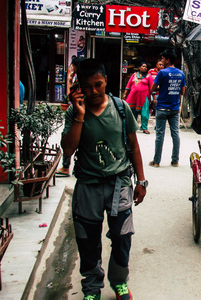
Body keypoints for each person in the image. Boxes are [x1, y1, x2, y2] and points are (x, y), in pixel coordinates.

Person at [61, 58, 147, 300]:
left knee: (122, 238)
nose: (94, 91)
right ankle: (91, 288)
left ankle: (119, 282)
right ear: (79, 86)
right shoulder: (74, 111)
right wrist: (79, 115)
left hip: (119, 183)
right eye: (87, 86)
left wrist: (141, 182)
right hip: (87, 186)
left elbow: (134, 146)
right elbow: (68, 150)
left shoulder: (121, 108)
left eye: (98, 84)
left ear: (106, 81)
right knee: (87, 240)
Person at [149, 49, 186, 168]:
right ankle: (175, 160)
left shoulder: (162, 73)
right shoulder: (181, 73)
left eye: (163, 59)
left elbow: (152, 89)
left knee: (160, 134)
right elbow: (183, 91)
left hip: (162, 108)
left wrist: (162, 88)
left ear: (168, 60)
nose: (162, 61)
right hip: (174, 108)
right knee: (175, 134)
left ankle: (156, 161)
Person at [56, 56, 84, 177]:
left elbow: (69, 96)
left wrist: (69, 80)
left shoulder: (79, 81)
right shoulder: (82, 79)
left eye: (72, 66)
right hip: (81, 108)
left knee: (68, 135)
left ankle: (66, 166)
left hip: (77, 109)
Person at [123, 62, 153, 134]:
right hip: (133, 96)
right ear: (139, 67)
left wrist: (154, 98)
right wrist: (125, 94)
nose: (144, 68)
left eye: (146, 67)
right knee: (132, 112)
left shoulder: (148, 76)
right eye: (143, 66)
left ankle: (144, 127)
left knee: (145, 112)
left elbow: (152, 87)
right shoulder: (134, 75)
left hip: (144, 96)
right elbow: (128, 85)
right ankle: (132, 127)